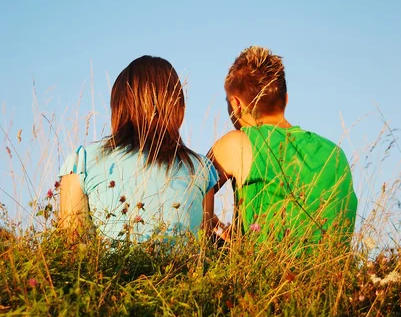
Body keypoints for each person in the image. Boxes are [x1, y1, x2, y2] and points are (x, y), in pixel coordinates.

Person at [208, 46, 357, 250]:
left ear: (236, 105)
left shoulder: (238, 143)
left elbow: (188, 190)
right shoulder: (335, 153)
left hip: (263, 277)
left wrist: (213, 230)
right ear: (285, 100)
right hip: (333, 278)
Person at [59, 56, 218, 243]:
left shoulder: (82, 161)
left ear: (119, 106)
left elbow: (72, 245)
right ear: (178, 108)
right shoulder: (201, 168)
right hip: (181, 272)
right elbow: (202, 245)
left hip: (109, 272)